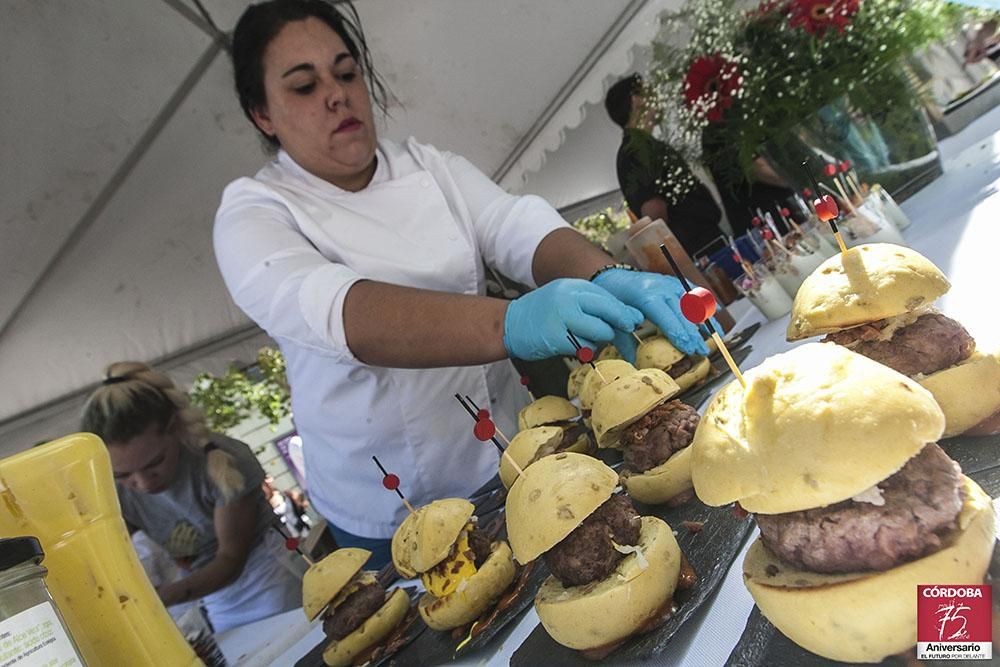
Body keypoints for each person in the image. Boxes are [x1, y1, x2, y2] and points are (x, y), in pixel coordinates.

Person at [215, 0, 706, 568]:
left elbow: (517, 225)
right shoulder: (254, 214)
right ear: (263, 115)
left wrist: (605, 274)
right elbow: (344, 313)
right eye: (304, 86)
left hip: (513, 455)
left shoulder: (429, 168)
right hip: (383, 506)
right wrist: (514, 322)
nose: (336, 94)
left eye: (346, 73)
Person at [81, 362, 302, 633]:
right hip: (206, 595)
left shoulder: (225, 462)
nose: (142, 482)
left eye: (155, 463)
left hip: (268, 576)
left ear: (174, 428)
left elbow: (230, 559)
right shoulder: (111, 488)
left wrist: (161, 597)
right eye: (123, 474)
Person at [605, 74, 727, 256]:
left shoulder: (645, 146)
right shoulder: (636, 151)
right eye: (649, 92)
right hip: (698, 249)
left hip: (704, 241)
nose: (657, 97)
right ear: (635, 100)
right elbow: (653, 212)